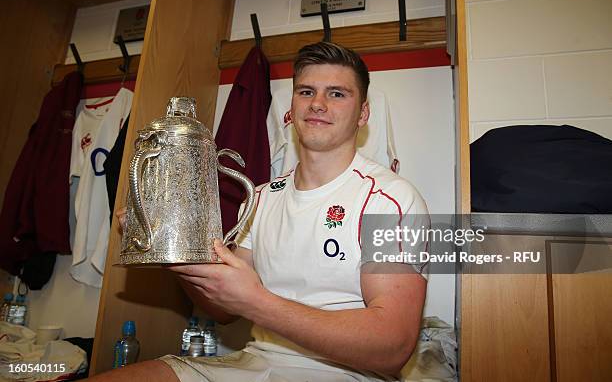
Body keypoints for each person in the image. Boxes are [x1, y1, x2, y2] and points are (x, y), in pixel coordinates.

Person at [91, 42, 429, 382]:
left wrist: (256, 302)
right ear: (291, 105)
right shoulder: (260, 197)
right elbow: (223, 311)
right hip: (255, 363)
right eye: (306, 91)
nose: (318, 104)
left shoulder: (393, 198)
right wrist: (169, 249)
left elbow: (392, 348)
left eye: (337, 94)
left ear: (363, 113)